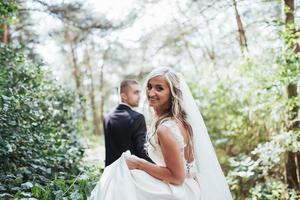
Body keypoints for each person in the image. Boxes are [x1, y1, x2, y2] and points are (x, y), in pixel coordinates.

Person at [90, 67, 232, 200]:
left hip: (178, 189)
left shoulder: (165, 129)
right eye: (150, 87)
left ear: (172, 93)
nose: (151, 93)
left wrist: (139, 164)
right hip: (191, 184)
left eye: (159, 88)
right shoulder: (182, 121)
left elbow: (177, 177)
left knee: (120, 179)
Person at [103, 79, 152, 167]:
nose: (139, 96)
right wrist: (157, 166)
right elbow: (142, 151)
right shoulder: (138, 118)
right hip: (130, 173)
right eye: (135, 93)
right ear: (124, 96)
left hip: (110, 173)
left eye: (139, 93)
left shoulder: (107, 117)